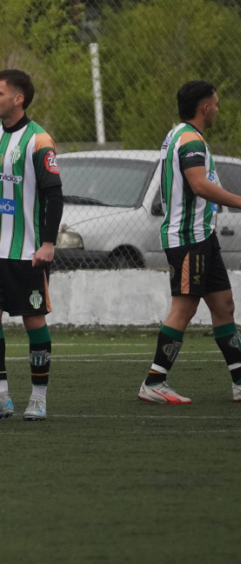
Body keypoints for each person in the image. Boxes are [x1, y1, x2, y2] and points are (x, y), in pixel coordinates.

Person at [0, 69, 63, 423]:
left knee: (33, 320)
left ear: (18, 99)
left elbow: (54, 194)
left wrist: (48, 242)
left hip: (27, 251)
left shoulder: (39, 141)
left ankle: (38, 398)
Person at [138, 80, 241, 405]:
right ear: (205, 106)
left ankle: (240, 383)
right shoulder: (189, 140)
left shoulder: (182, 135)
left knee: (224, 306)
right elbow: (199, 185)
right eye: (216, 103)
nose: (218, 108)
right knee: (184, 306)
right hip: (188, 238)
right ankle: (154, 381)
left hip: (202, 236)